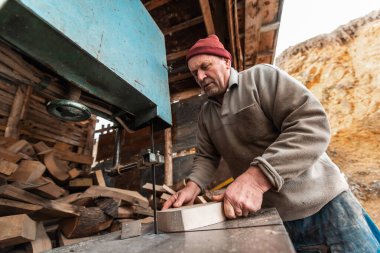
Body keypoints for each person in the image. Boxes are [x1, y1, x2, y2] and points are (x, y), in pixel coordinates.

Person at [162, 34, 380, 252]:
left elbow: (312, 125)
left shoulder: (261, 78)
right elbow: (206, 156)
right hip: (272, 217)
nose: (200, 76)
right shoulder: (206, 115)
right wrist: (193, 186)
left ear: (226, 61)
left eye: (205, 66)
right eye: (194, 73)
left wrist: (256, 179)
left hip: (324, 205)